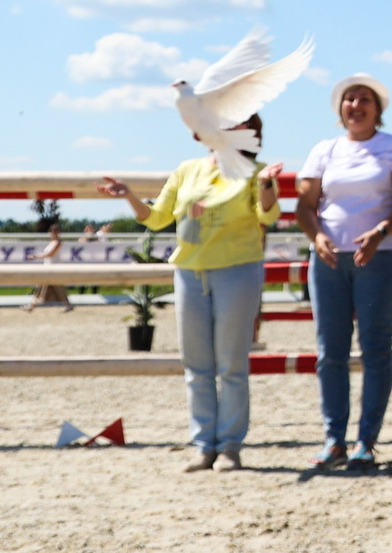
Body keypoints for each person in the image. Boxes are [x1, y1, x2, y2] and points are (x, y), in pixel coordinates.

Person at [99, 122, 281, 471]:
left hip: (237, 272)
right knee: (196, 366)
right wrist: (128, 195)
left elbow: (268, 214)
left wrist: (265, 185)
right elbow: (155, 219)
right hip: (188, 274)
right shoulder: (187, 170)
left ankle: (229, 446)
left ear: (250, 133)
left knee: (231, 365)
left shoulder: (257, 171)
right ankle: (203, 445)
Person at [297, 74, 392, 470]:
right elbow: (304, 205)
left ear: (377, 109)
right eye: (349, 99)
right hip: (330, 259)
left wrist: (380, 231)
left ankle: (365, 440)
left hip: (380, 256)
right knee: (329, 351)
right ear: (340, 109)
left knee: (376, 347)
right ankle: (334, 439)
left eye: (364, 99)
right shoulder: (323, 150)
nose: (356, 105)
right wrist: (316, 237)